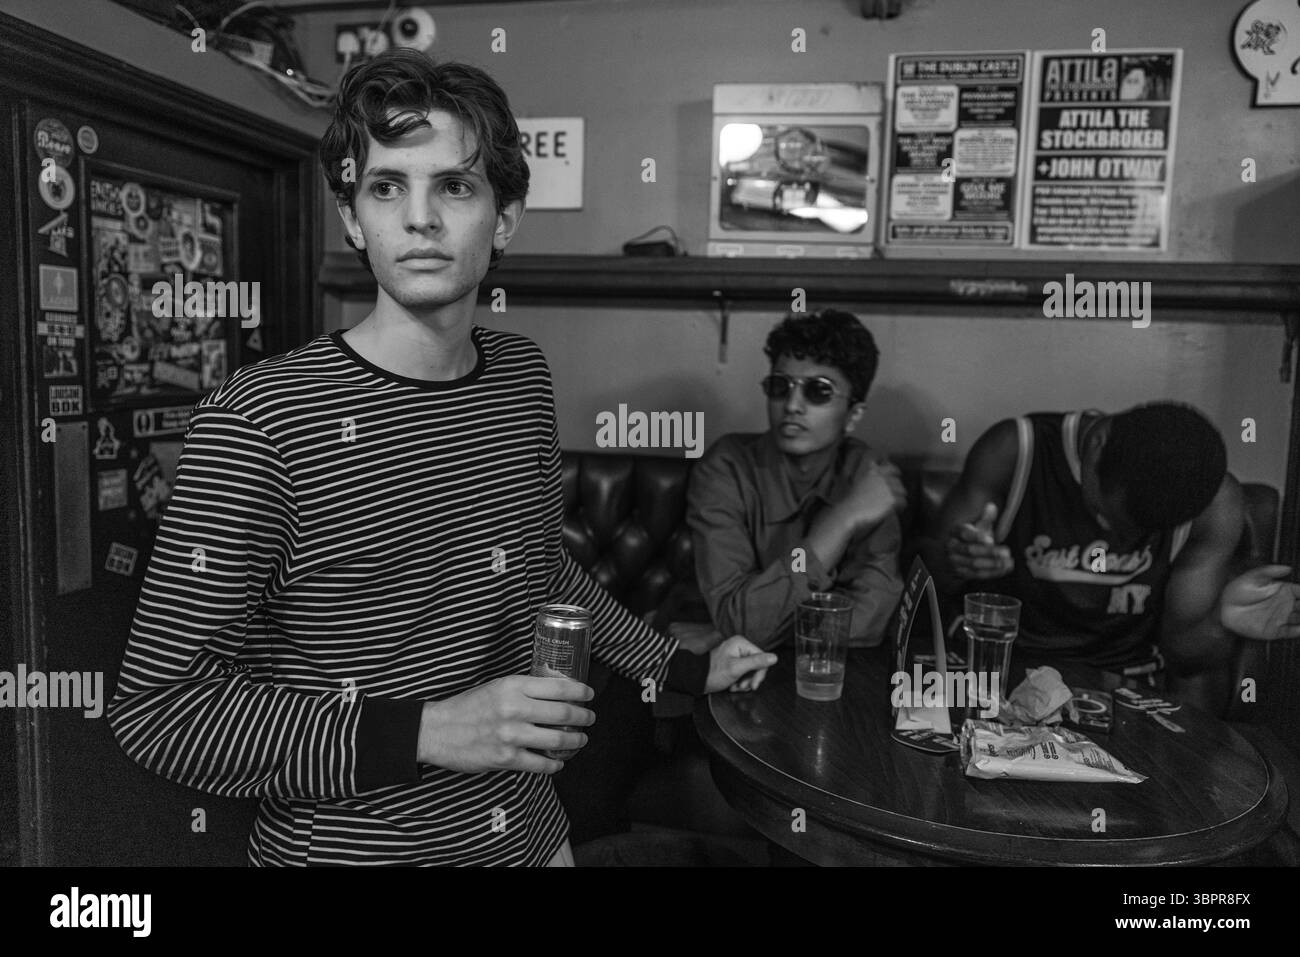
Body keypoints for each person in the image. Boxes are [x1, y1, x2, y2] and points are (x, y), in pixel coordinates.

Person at [106, 50, 774, 867]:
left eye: (454, 186)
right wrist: (432, 729)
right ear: (353, 218)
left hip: (529, 837)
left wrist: (685, 669)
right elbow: (162, 710)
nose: (419, 217)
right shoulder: (259, 421)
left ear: (505, 218)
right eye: (387, 187)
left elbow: (543, 573)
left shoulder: (521, 376)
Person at [923, 403, 1300, 709]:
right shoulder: (1016, 449)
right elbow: (929, 580)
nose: (1114, 538)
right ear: (1097, 444)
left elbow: (1184, 655)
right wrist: (959, 560)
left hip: (1121, 688)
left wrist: (1222, 620)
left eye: (1141, 533)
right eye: (1107, 516)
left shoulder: (1214, 504)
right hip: (997, 673)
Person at [685, 309, 906, 651]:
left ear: (853, 415)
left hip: (801, 672)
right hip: (697, 673)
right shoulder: (726, 467)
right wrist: (842, 520)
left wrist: (741, 632)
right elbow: (737, 618)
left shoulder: (868, 474)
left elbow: (870, 623)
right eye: (780, 386)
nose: (792, 405)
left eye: (818, 391)